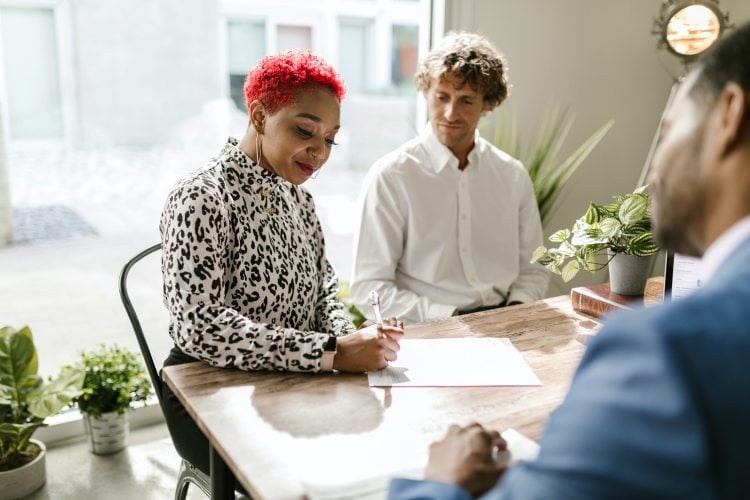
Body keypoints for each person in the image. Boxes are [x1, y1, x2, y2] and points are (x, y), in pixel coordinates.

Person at [388, 21, 750, 500]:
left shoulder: (663, 351)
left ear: (729, 115)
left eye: (667, 132)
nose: (654, 169)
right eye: (442, 95)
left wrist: (439, 484)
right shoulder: (393, 175)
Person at [159, 49, 404, 475]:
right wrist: (331, 352)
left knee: (391, 446)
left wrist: (352, 341)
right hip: (208, 392)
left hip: (295, 381)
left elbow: (324, 288)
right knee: (320, 473)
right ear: (258, 117)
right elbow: (200, 328)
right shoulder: (202, 196)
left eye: (330, 138)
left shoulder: (300, 200)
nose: (319, 151)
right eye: (305, 130)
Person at [350, 32, 549, 325]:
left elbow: (534, 269)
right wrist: (452, 318)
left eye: (466, 100)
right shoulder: (392, 176)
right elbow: (369, 288)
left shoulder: (512, 176)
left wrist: (515, 313)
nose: (450, 112)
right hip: (428, 329)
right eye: (441, 97)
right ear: (426, 93)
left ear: (488, 104)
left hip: (509, 322)